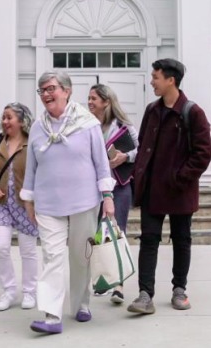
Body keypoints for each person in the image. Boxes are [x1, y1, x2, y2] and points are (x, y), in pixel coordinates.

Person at [20, 70, 115, 334]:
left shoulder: (88, 124)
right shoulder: (38, 127)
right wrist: (28, 200)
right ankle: (51, 316)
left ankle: (81, 304)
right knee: (52, 257)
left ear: (67, 90)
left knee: (80, 257)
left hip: (84, 202)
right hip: (48, 205)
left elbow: (101, 163)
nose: (47, 94)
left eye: (51, 88)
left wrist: (107, 197)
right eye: (42, 91)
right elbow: (31, 169)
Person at [127, 58, 211, 315]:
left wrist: (180, 178)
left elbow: (203, 152)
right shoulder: (152, 110)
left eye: (155, 77)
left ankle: (179, 290)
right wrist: (138, 175)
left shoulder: (192, 112)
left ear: (170, 80)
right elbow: (143, 146)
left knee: (182, 239)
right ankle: (145, 295)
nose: (151, 81)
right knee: (148, 240)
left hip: (179, 190)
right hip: (152, 189)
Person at [0, 102, 38, 312]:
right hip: (2, 205)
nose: (5, 122)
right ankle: (8, 290)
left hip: (27, 206)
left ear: (21, 121)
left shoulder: (32, 143)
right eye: (3, 117)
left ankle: (30, 292)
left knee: (28, 251)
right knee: (0, 248)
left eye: (9, 118)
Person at [88, 83, 138, 304]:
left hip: (119, 186)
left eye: (94, 99)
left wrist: (125, 157)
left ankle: (118, 285)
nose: (89, 103)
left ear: (106, 102)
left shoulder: (123, 126)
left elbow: (140, 149)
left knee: (118, 232)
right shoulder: (86, 125)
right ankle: (101, 281)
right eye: (89, 99)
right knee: (94, 235)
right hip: (92, 188)